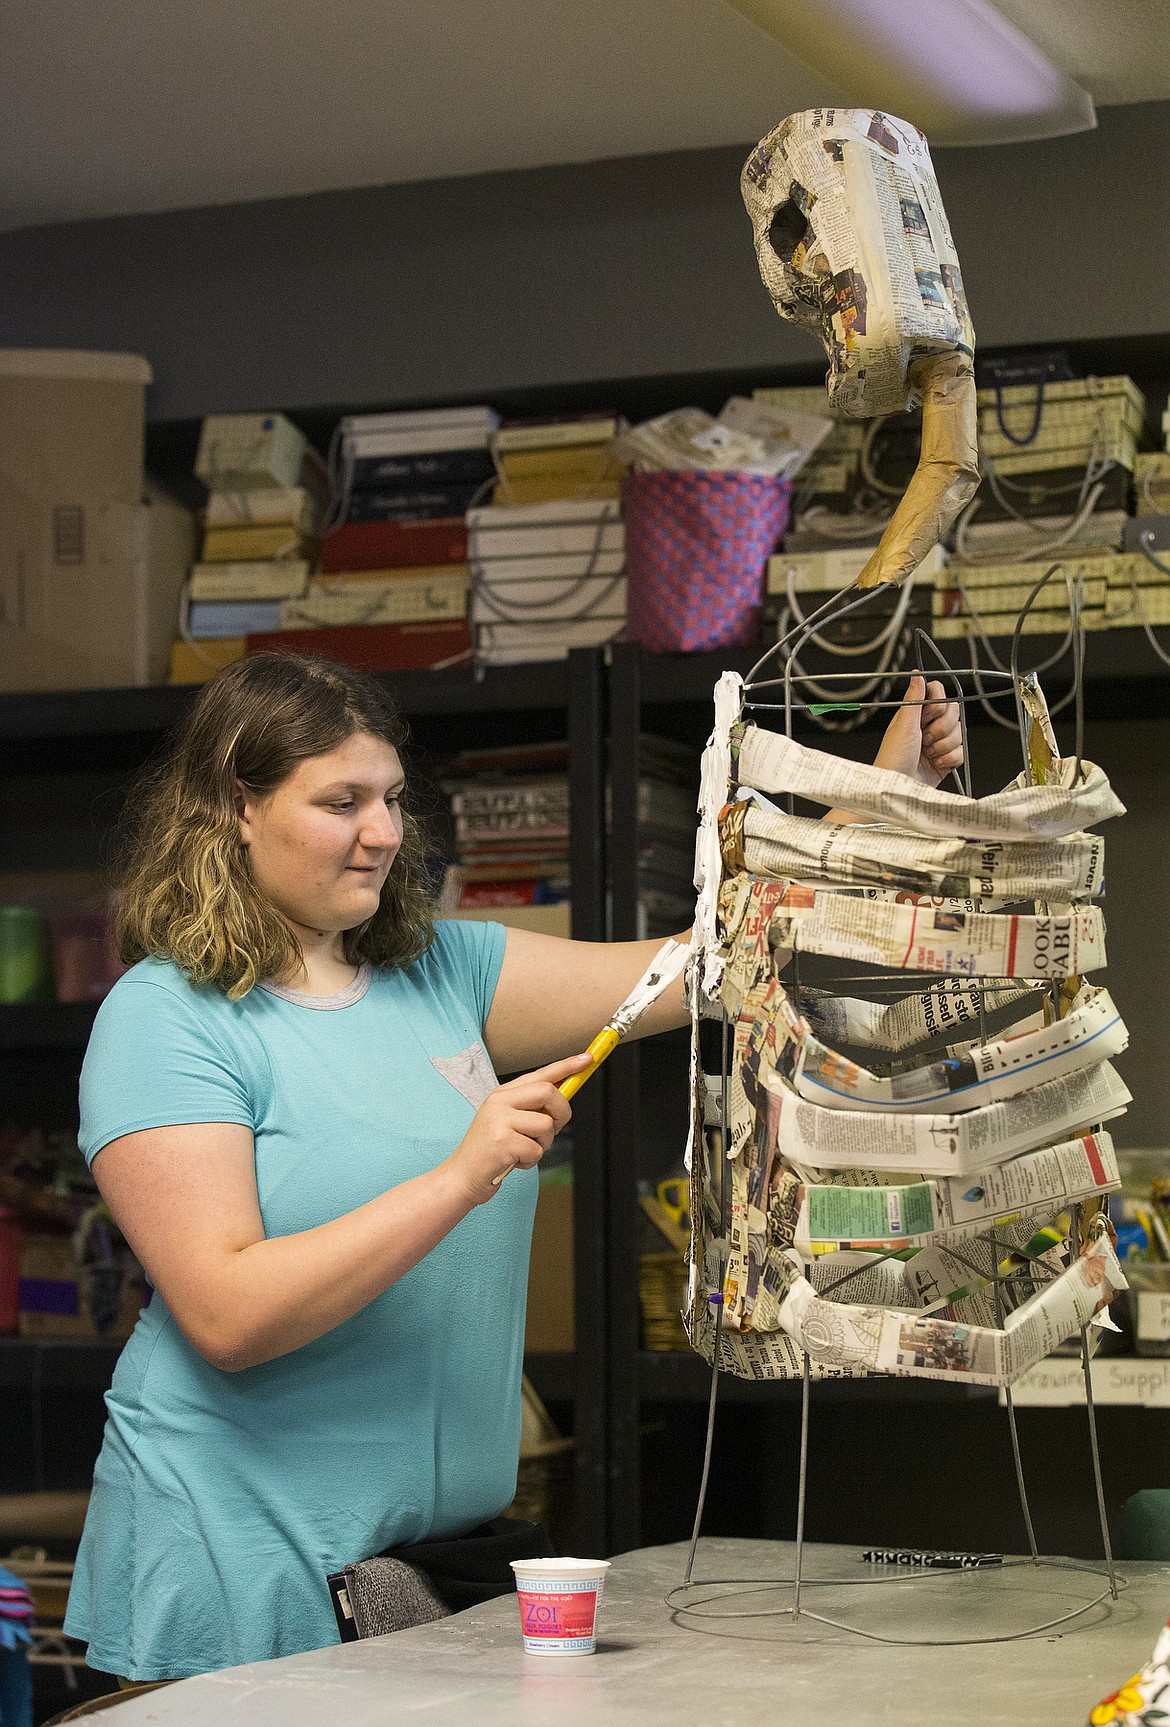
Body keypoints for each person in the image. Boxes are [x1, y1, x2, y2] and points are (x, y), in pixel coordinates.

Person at [63, 654, 961, 1682]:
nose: (386, 830)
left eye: (393, 797)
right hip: (245, 1548)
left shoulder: (441, 968)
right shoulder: (166, 1016)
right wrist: (459, 1175)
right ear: (237, 807)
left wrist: (883, 804)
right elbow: (226, 1314)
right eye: (341, 800)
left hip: (428, 1565)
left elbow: (714, 961)